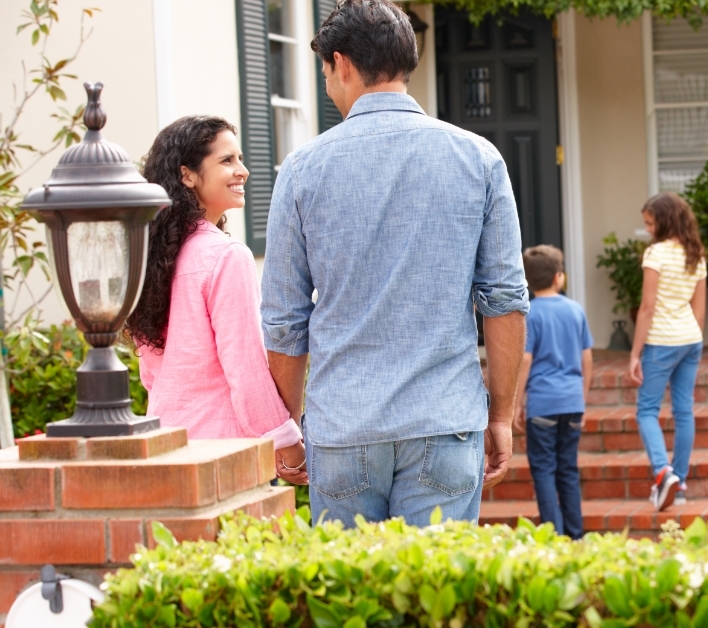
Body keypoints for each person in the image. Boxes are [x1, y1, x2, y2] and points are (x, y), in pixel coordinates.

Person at [261, 0, 528, 528]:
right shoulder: (479, 158)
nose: (331, 89)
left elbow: (285, 321)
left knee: (348, 603)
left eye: (327, 76)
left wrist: (287, 427)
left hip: (343, 428)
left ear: (342, 64)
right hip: (445, 418)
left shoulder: (300, 170)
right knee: (435, 600)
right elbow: (504, 302)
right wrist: (500, 415)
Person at [128, 116, 307, 485]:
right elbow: (246, 369)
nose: (242, 170)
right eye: (226, 160)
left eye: (240, 159)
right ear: (187, 175)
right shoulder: (226, 257)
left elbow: (151, 373)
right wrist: (286, 442)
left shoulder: (150, 258)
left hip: (166, 444)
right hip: (226, 452)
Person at [628, 192, 707, 512]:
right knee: (684, 411)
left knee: (647, 410)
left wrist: (634, 353)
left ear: (664, 220)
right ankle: (681, 480)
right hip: (691, 339)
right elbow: (699, 310)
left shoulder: (656, 254)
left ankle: (663, 472)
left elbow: (647, 308)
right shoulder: (696, 254)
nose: (647, 229)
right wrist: (692, 338)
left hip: (661, 341)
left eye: (650, 222)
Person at [514, 246, 593, 540]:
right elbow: (587, 359)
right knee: (568, 470)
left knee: (544, 470)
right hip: (572, 401)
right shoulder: (576, 310)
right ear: (559, 277)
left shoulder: (530, 314)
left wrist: (516, 403)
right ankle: (576, 535)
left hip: (543, 404)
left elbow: (525, 360)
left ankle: (554, 537)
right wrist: (582, 399)